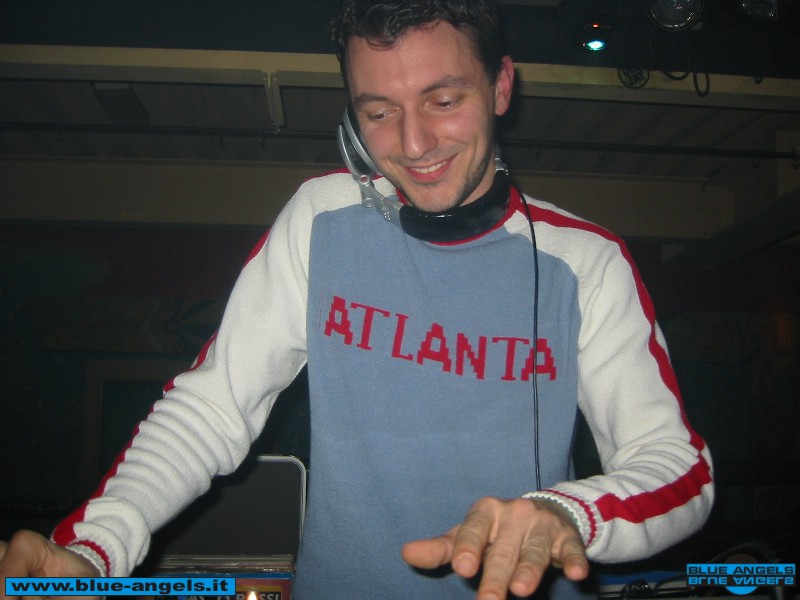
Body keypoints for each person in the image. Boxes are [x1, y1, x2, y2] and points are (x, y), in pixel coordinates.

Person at [0, 1, 714, 598]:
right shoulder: (321, 218)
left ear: (501, 87)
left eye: (443, 100)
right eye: (378, 112)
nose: (413, 143)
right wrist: (93, 547)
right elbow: (211, 409)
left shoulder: (586, 263)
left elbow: (679, 469)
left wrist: (567, 513)